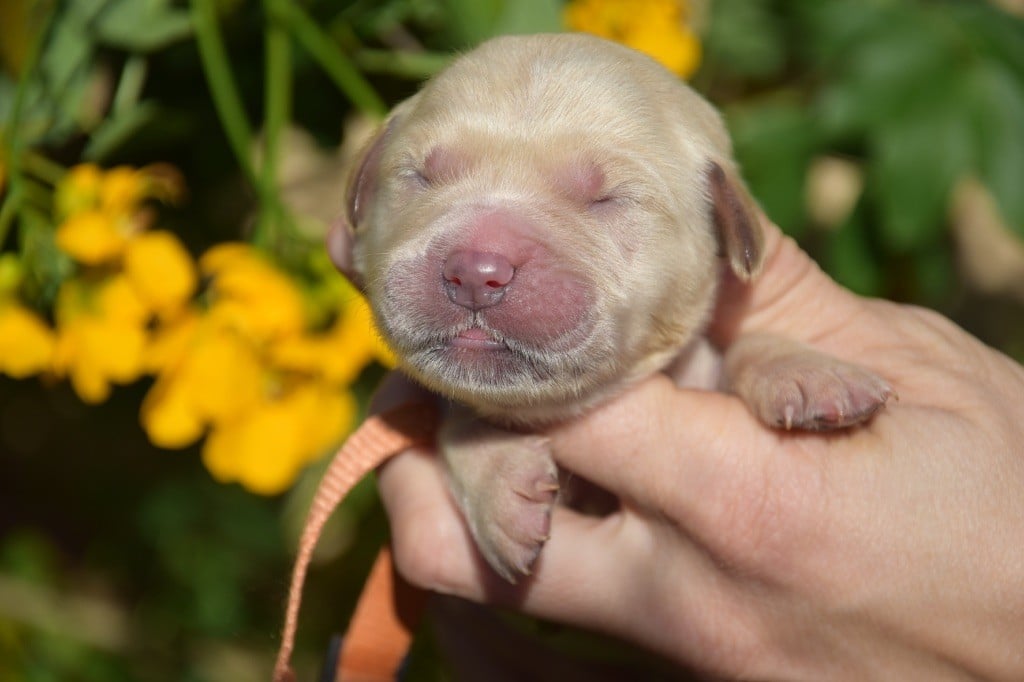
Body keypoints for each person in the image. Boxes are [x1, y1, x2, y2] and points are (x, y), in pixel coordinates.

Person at [370, 217, 1024, 680]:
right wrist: (478, 453)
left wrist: (770, 360)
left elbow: (728, 352)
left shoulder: (708, 306)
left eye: (604, 201)